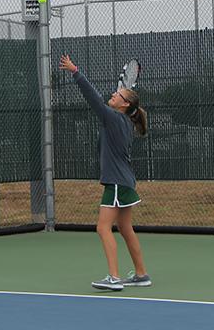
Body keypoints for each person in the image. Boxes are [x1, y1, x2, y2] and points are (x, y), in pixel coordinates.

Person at [59, 54, 152, 291]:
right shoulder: (122, 122)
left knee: (103, 227)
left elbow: (93, 99)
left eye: (117, 95)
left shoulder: (113, 119)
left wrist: (75, 71)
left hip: (118, 183)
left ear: (124, 104)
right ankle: (141, 274)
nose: (113, 94)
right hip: (126, 181)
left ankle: (114, 277)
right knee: (124, 227)